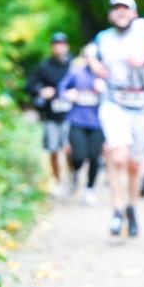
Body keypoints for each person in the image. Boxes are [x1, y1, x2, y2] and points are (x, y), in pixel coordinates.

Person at [90, 0, 144, 236]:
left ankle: (131, 207)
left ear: (134, 13)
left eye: (125, 9)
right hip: (113, 103)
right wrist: (93, 64)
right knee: (118, 155)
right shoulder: (103, 38)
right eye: (116, 9)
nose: (121, 13)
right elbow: (89, 53)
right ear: (111, 14)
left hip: (141, 104)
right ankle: (116, 209)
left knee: (134, 164)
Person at [26, 31, 73, 196]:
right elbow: (30, 87)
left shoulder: (73, 66)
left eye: (62, 44)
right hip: (50, 115)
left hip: (71, 115)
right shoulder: (43, 66)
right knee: (53, 149)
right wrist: (41, 90)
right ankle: (58, 181)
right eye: (56, 45)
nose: (59, 48)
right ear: (52, 47)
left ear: (66, 46)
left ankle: (71, 178)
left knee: (70, 148)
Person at [58, 43, 106, 205]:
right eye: (88, 56)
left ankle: (89, 189)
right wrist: (67, 94)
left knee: (94, 157)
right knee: (78, 156)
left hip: (98, 124)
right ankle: (74, 173)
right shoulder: (76, 73)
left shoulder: (105, 75)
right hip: (77, 121)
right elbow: (62, 88)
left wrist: (105, 89)